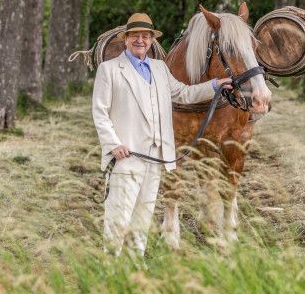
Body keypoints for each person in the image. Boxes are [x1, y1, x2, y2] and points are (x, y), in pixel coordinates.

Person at [91, 13, 231, 256]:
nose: (140, 40)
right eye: (135, 35)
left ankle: (136, 264)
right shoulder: (109, 69)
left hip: (157, 157)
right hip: (127, 155)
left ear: (151, 41)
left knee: (143, 217)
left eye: (145, 36)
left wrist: (214, 85)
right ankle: (110, 270)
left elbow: (183, 94)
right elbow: (99, 112)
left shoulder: (159, 68)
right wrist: (113, 144)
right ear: (126, 39)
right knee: (118, 217)